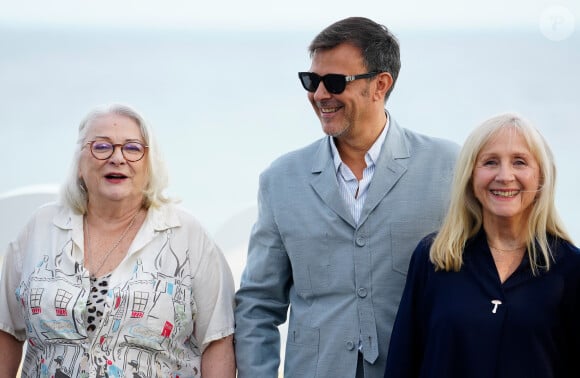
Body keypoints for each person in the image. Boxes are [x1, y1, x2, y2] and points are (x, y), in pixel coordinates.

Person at [234, 16, 459, 377]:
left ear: (380, 85)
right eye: (312, 81)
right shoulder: (281, 180)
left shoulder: (450, 168)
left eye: (335, 82)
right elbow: (258, 304)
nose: (320, 95)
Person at [0, 104, 236, 377]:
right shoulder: (40, 228)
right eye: (101, 147)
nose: (117, 158)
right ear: (79, 163)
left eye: (133, 148)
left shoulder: (187, 235)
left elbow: (218, 339)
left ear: (150, 164)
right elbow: (6, 330)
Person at [384, 113, 580, 377]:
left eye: (520, 162)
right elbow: (402, 364)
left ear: (541, 178)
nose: (504, 176)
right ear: (470, 176)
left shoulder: (570, 269)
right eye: (490, 162)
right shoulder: (433, 258)